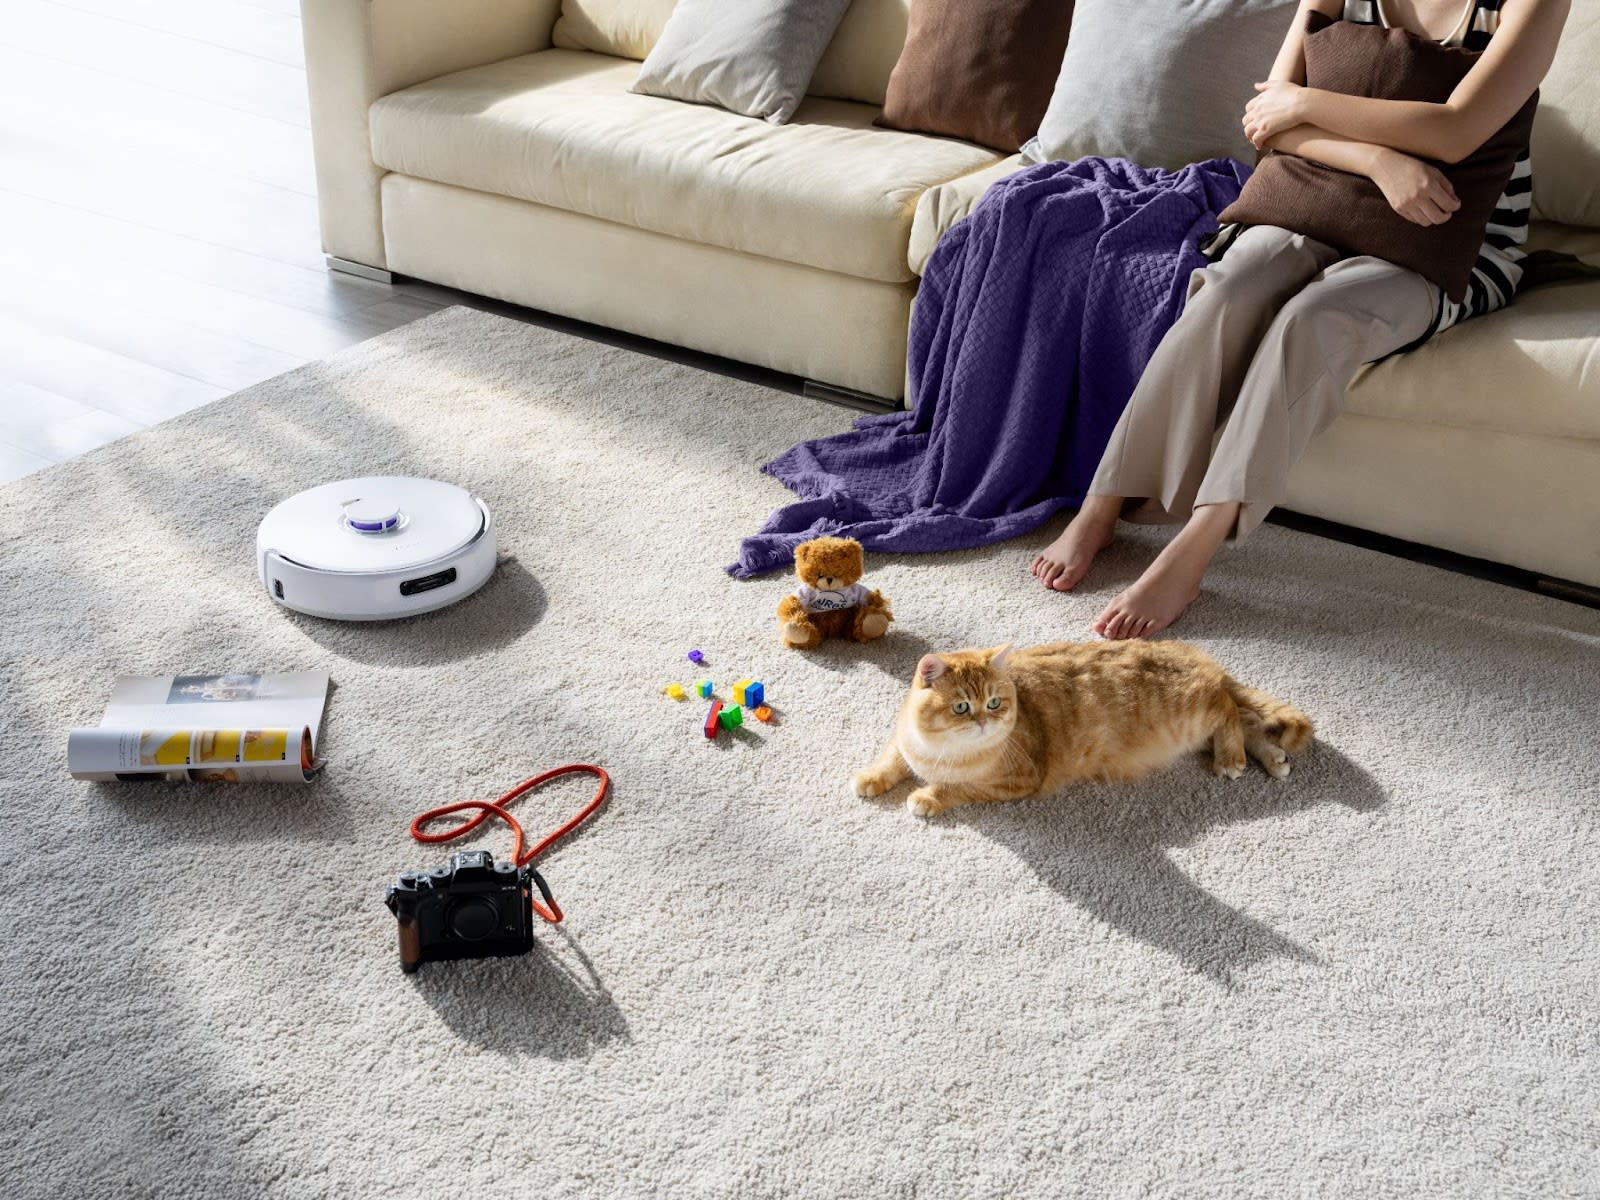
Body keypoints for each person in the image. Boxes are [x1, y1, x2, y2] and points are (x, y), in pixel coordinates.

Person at [1030, 0, 1569, 639]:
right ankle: (1102, 505)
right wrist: (1379, 160)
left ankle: (1196, 547)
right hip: (1322, 199)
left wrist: (1309, 104)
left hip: (1452, 238)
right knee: (1228, 290)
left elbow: (1455, 130)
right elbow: (1267, 122)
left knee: (1314, 317)